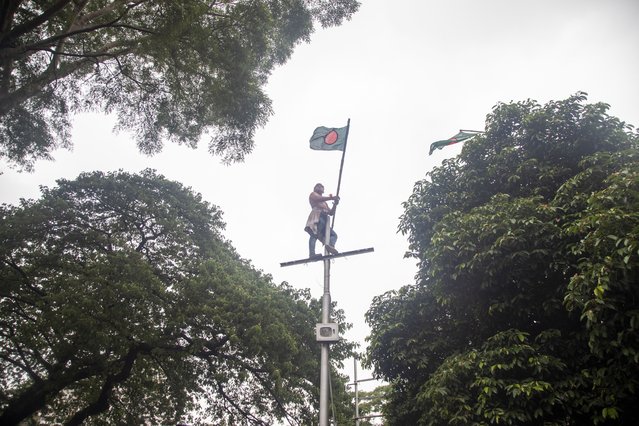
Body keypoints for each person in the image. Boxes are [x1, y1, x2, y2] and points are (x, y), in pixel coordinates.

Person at [304, 183, 339, 258]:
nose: (320, 187)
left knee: (334, 235)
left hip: (325, 220)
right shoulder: (313, 194)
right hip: (318, 216)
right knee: (314, 234)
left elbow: (331, 213)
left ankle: (330, 245)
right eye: (318, 186)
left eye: (322, 187)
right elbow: (318, 199)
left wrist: (335, 204)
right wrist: (332, 198)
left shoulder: (325, 203)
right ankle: (312, 254)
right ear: (315, 188)